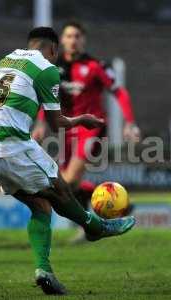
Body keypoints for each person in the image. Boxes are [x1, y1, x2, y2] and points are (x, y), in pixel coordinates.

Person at [0, 27, 135, 295]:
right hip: (9, 139)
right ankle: (96, 227)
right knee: (61, 189)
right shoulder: (47, 68)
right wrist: (83, 120)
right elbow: (57, 122)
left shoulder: (7, 59)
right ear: (54, 49)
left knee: (41, 205)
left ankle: (44, 270)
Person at [33, 22, 140, 242]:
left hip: (93, 129)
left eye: (77, 36)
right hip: (66, 130)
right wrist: (41, 123)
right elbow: (48, 99)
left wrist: (129, 122)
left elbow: (119, 92)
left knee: (69, 180)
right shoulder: (53, 69)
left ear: (84, 40)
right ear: (61, 41)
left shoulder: (95, 66)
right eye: (69, 36)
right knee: (63, 185)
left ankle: (104, 213)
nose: (73, 40)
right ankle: (101, 218)